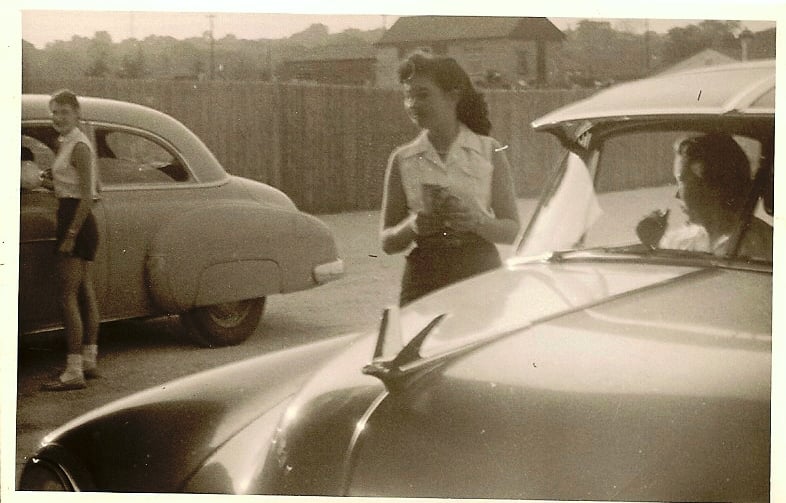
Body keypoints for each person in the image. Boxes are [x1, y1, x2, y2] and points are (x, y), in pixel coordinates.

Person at [380, 52, 520, 305]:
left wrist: (476, 222)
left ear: (453, 95)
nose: (413, 104)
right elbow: (387, 242)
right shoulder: (402, 159)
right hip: (424, 278)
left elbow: (512, 230)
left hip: (480, 272)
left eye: (422, 94)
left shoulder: (490, 150)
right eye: (408, 96)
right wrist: (412, 226)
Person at [41, 89, 102, 391]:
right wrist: (48, 180)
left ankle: (73, 371)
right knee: (84, 292)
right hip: (74, 216)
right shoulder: (66, 143)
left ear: (76, 114)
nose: (58, 118)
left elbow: (89, 195)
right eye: (54, 112)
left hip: (76, 219)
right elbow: (72, 182)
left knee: (68, 297)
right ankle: (89, 360)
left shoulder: (78, 145)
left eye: (64, 112)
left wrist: (70, 235)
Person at [636, 133, 772, 260]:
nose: (677, 195)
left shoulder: (760, 248)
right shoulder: (682, 240)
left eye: (682, 181)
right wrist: (653, 243)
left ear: (710, 184)